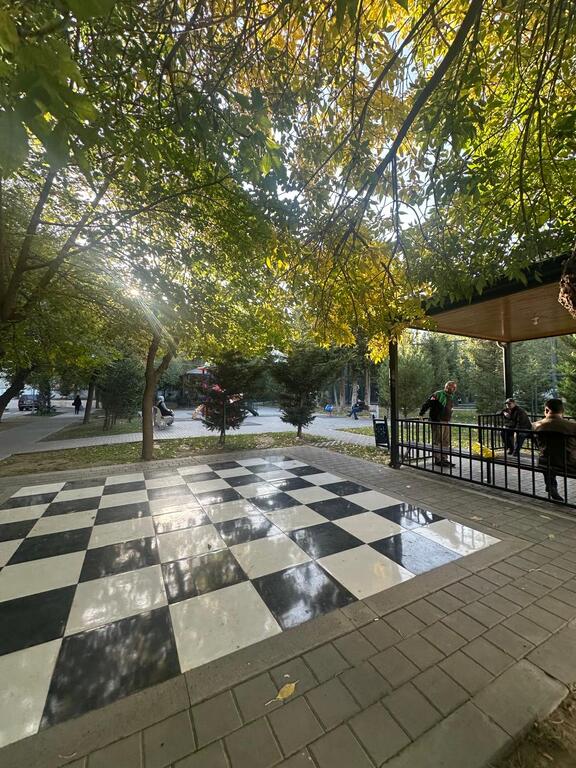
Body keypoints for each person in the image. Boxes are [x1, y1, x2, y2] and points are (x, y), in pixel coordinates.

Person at [533, 398, 576, 502]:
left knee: (548, 460)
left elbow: (537, 444)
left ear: (546, 410)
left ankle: (551, 485)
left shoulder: (535, 425)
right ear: (562, 411)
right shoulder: (573, 426)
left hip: (544, 461)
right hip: (568, 464)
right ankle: (551, 486)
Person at [419, 381, 458, 467]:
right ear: (447, 387)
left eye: (455, 388)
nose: (454, 389)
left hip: (446, 421)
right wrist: (421, 414)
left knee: (446, 441)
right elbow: (427, 404)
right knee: (437, 441)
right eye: (452, 387)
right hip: (437, 421)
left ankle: (444, 459)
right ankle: (438, 460)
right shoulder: (438, 394)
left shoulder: (450, 396)